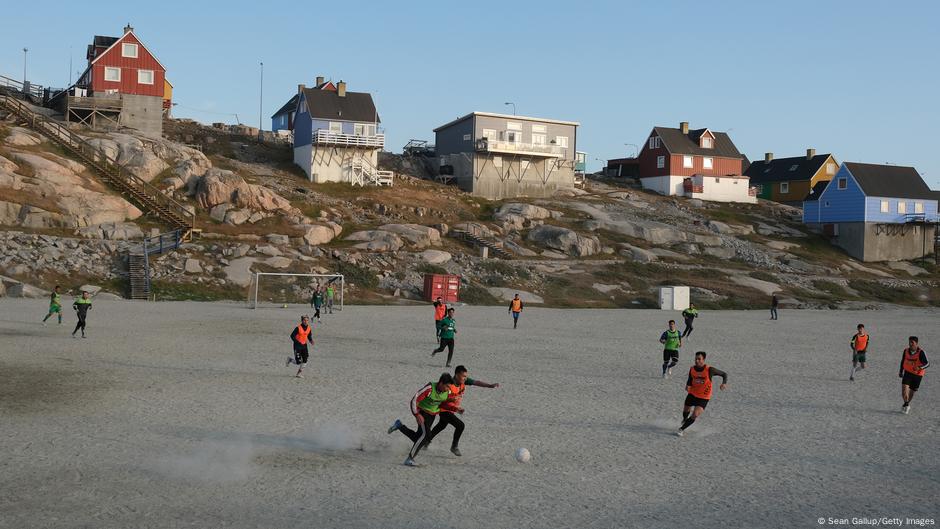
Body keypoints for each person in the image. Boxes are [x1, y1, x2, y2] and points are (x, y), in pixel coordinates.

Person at [423, 365, 499, 456]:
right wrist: (455, 406)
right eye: (463, 376)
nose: (465, 378)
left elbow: (476, 382)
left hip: (452, 409)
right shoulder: (449, 384)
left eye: (466, 376)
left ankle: (426, 441)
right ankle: (454, 447)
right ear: (456, 375)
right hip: (444, 409)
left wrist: (489, 386)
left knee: (441, 426)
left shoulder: (463, 381)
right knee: (460, 425)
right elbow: (440, 397)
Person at [387, 373, 454, 466]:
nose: (448, 389)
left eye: (449, 387)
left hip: (432, 415)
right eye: (447, 386)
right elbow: (414, 400)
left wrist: (455, 408)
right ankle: (409, 459)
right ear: (441, 383)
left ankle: (400, 426)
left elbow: (442, 403)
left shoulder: (448, 392)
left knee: (419, 438)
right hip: (423, 413)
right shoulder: (429, 388)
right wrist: (417, 414)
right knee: (426, 435)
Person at [677, 351, 728, 437]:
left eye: (699, 359)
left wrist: (724, 383)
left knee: (695, 414)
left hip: (704, 397)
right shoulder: (692, 369)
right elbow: (690, 378)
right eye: (696, 359)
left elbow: (724, 374)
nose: (697, 361)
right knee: (686, 410)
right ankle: (685, 419)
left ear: (703, 360)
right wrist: (688, 385)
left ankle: (681, 429)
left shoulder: (710, 370)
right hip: (692, 393)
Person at [898, 336, 929, 415]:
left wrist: (919, 367)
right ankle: (907, 405)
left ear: (916, 343)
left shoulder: (921, 352)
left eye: (912, 342)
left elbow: (927, 364)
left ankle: (906, 403)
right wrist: (901, 371)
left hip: (917, 375)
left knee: (911, 392)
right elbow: (902, 361)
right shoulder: (905, 351)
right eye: (909, 342)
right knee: (904, 391)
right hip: (907, 373)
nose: (910, 344)